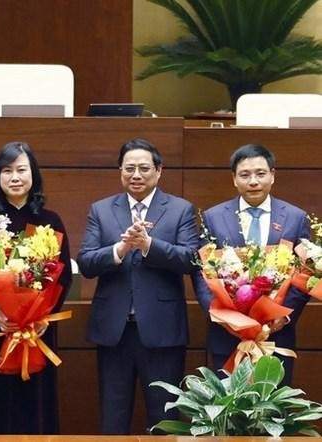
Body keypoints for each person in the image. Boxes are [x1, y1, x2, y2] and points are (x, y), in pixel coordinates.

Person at [77, 138, 198, 434]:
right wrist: (119, 248)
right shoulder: (101, 210)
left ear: (159, 171)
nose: (136, 175)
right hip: (114, 331)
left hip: (162, 330)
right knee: (113, 414)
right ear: (120, 171)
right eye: (129, 168)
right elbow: (86, 262)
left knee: (165, 415)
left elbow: (190, 259)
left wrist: (148, 246)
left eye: (144, 168)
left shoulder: (180, 209)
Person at [0, 141, 72, 434]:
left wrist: (44, 316)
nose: (14, 177)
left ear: (33, 174)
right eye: (7, 170)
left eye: (21, 170)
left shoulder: (50, 221)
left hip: (39, 330)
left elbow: (64, 277)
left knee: (36, 399)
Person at [192, 143, 309, 384]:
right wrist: (224, 319)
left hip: (276, 336)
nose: (253, 181)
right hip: (228, 337)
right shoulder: (213, 218)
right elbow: (201, 273)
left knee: (273, 412)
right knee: (228, 414)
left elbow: (304, 275)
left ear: (273, 175)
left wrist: (283, 317)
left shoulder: (296, 218)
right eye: (245, 175)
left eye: (260, 173)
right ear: (234, 179)